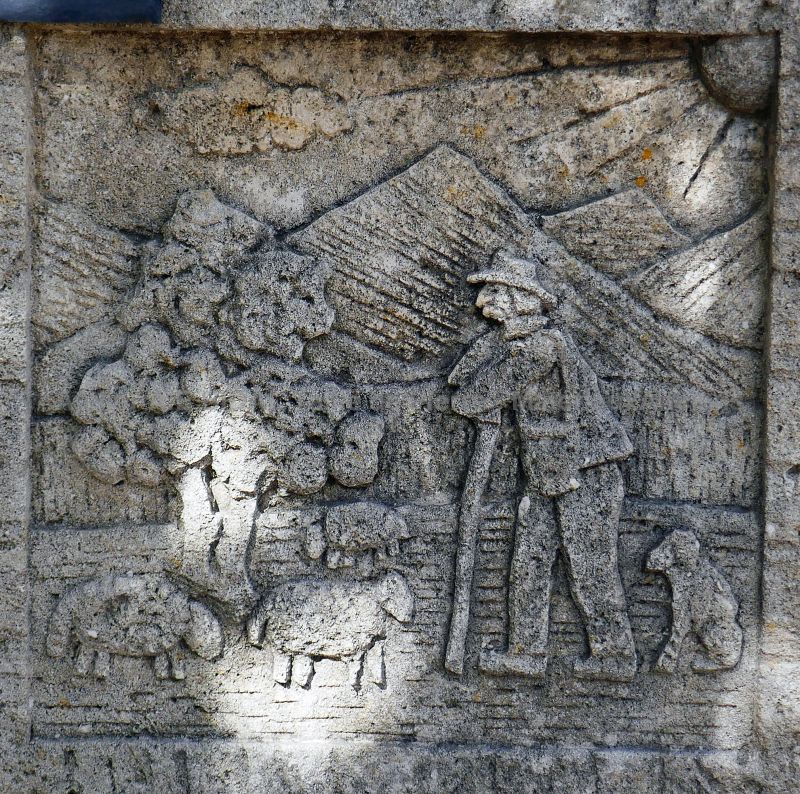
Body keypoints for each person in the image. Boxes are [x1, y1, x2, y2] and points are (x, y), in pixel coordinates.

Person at [448, 250, 637, 682]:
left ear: (520, 298)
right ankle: (526, 652)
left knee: (589, 565)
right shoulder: (516, 345)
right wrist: (485, 354)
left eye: (493, 292)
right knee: (529, 563)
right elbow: (463, 379)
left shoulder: (541, 349)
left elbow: (473, 397)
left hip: (586, 469)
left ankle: (615, 656)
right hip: (545, 472)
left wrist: (478, 386)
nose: (481, 303)